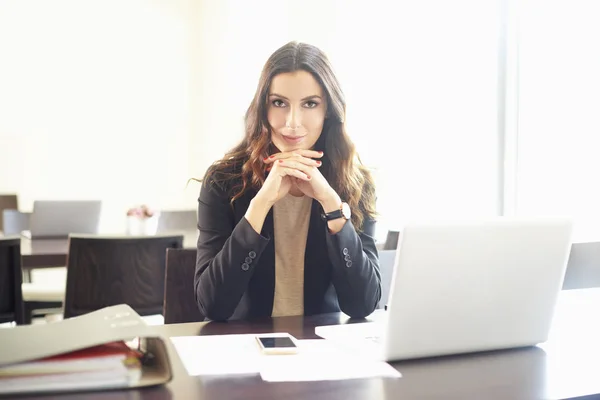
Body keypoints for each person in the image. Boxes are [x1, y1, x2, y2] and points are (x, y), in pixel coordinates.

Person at [194, 41, 380, 321]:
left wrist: (331, 205)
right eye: (279, 103)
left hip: (321, 347)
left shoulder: (355, 183)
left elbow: (363, 305)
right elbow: (212, 306)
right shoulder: (223, 181)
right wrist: (260, 205)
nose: (293, 123)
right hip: (244, 345)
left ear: (328, 110)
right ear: (262, 108)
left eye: (310, 104)